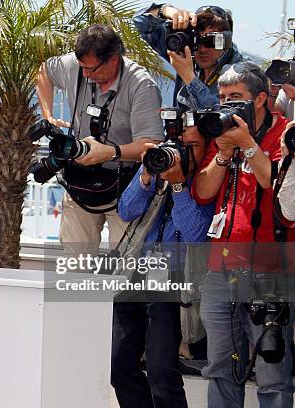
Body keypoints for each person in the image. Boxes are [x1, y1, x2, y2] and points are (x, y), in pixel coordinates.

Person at [192, 62, 294, 408]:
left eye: (236, 98)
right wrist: (222, 153)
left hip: (271, 272)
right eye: (222, 98)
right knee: (220, 368)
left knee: (272, 373)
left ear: (261, 99)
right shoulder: (220, 131)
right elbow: (203, 193)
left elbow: (279, 187)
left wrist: (249, 145)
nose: (226, 106)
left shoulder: (285, 133)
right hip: (221, 270)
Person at [36, 24, 163, 255]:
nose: (85, 75)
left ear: (114, 59)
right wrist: (49, 116)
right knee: (74, 263)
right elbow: (44, 71)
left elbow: (151, 144)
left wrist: (109, 152)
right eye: (82, 68)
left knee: (125, 266)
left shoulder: (141, 85)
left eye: (91, 69)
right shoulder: (76, 67)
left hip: (124, 186)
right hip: (78, 182)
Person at [114, 124, 215, 408]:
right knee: (117, 366)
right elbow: (126, 210)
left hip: (172, 280)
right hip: (135, 274)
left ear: (207, 147)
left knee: (161, 372)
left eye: (192, 146)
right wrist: (146, 176)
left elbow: (195, 235)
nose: (181, 152)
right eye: (179, 144)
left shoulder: (206, 181)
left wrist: (180, 183)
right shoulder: (157, 169)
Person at [134, 4, 243, 109]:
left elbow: (226, 116)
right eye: (196, 41)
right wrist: (165, 11)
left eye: (211, 41)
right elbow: (139, 22)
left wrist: (190, 79)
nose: (202, 49)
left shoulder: (240, 73)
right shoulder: (185, 54)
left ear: (226, 41)